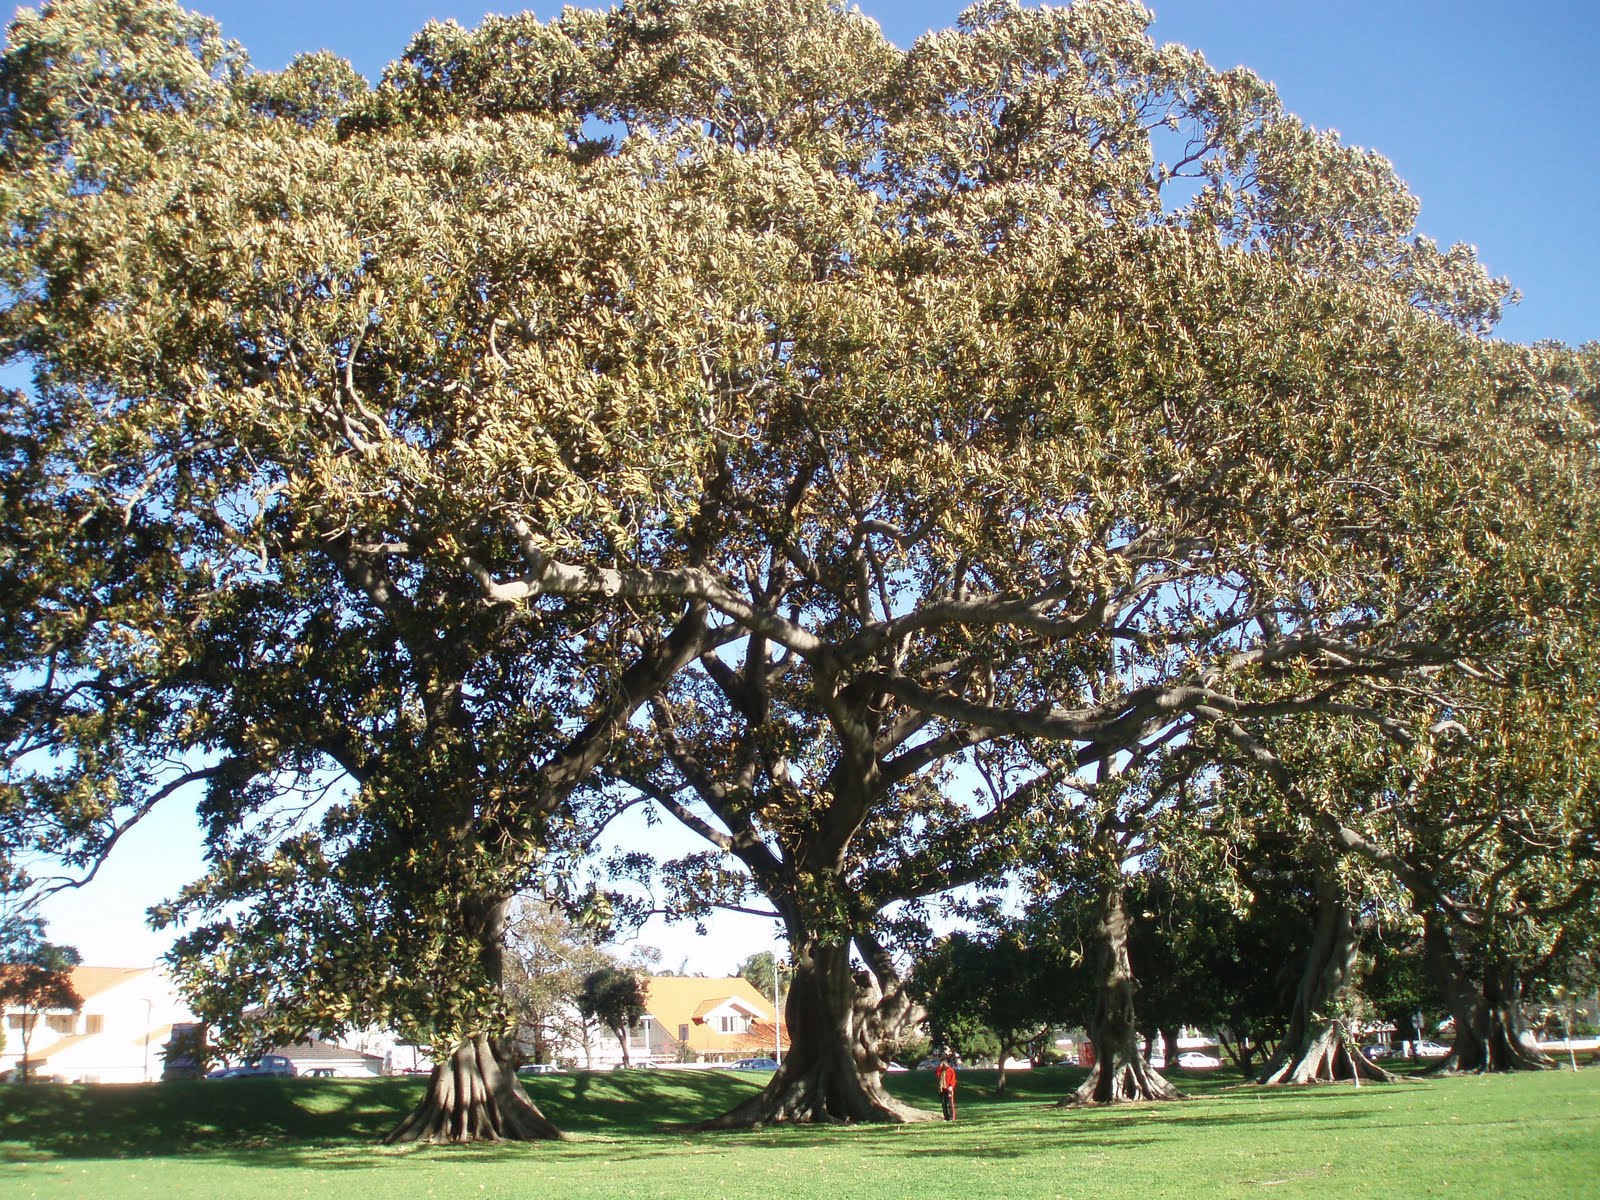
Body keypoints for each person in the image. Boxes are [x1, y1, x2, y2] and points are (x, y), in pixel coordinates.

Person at [935, 1052, 958, 1121]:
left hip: (949, 1089)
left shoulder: (950, 1070)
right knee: (944, 1104)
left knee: (950, 1104)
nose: (944, 1064)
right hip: (942, 1088)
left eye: (945, 1063)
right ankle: (946, 1117)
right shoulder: (941, 1071)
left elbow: (953, 1079)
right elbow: (937, 1074)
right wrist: (940, 1066)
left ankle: (952, 1117)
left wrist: (951, 1086)